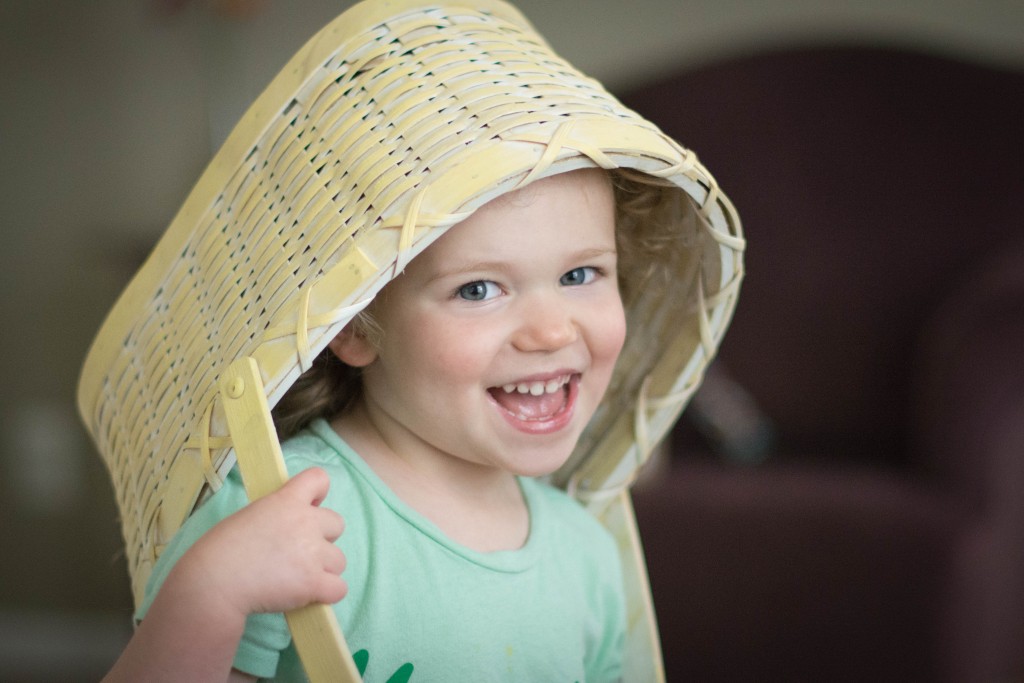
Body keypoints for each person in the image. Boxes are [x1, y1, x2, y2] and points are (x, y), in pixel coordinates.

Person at [79, 0, 744, 681]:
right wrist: (209, 593)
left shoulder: (587, 557)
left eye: (580, 273)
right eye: (479, 289)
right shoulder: (285, 511)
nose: (551, 330)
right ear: (354, 326)